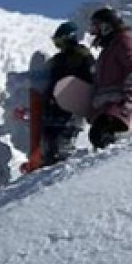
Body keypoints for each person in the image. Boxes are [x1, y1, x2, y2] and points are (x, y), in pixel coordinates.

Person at [87, 8, 132, 149]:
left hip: (117, 105)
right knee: (97, 137)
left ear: (106, 26)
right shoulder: (108, 49)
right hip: (104, 107)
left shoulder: (123, 42)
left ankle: (115, 163)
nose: (94, 31)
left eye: (97, 26)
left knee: (100, 136)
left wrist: (129, 98)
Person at [42, 21, 94, 166]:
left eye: (59, 41)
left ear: (69, 37)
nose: (57, 45)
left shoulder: (82, 55)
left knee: (63, 144)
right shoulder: (58, 59)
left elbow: (91, 79)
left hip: (71, 108)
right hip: (53, 108)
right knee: (49, 143)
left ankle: (65, 173)